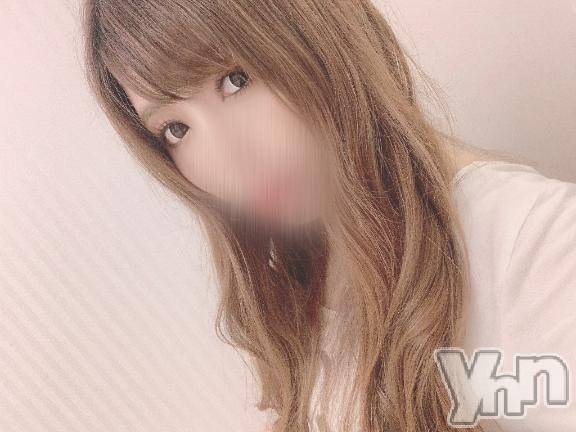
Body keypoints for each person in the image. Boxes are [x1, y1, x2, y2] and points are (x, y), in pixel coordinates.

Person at [83, 1, 576, 431]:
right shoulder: (312, 259)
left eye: (236, 80)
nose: (228, 160)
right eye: (176, 129)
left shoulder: (531, 248)